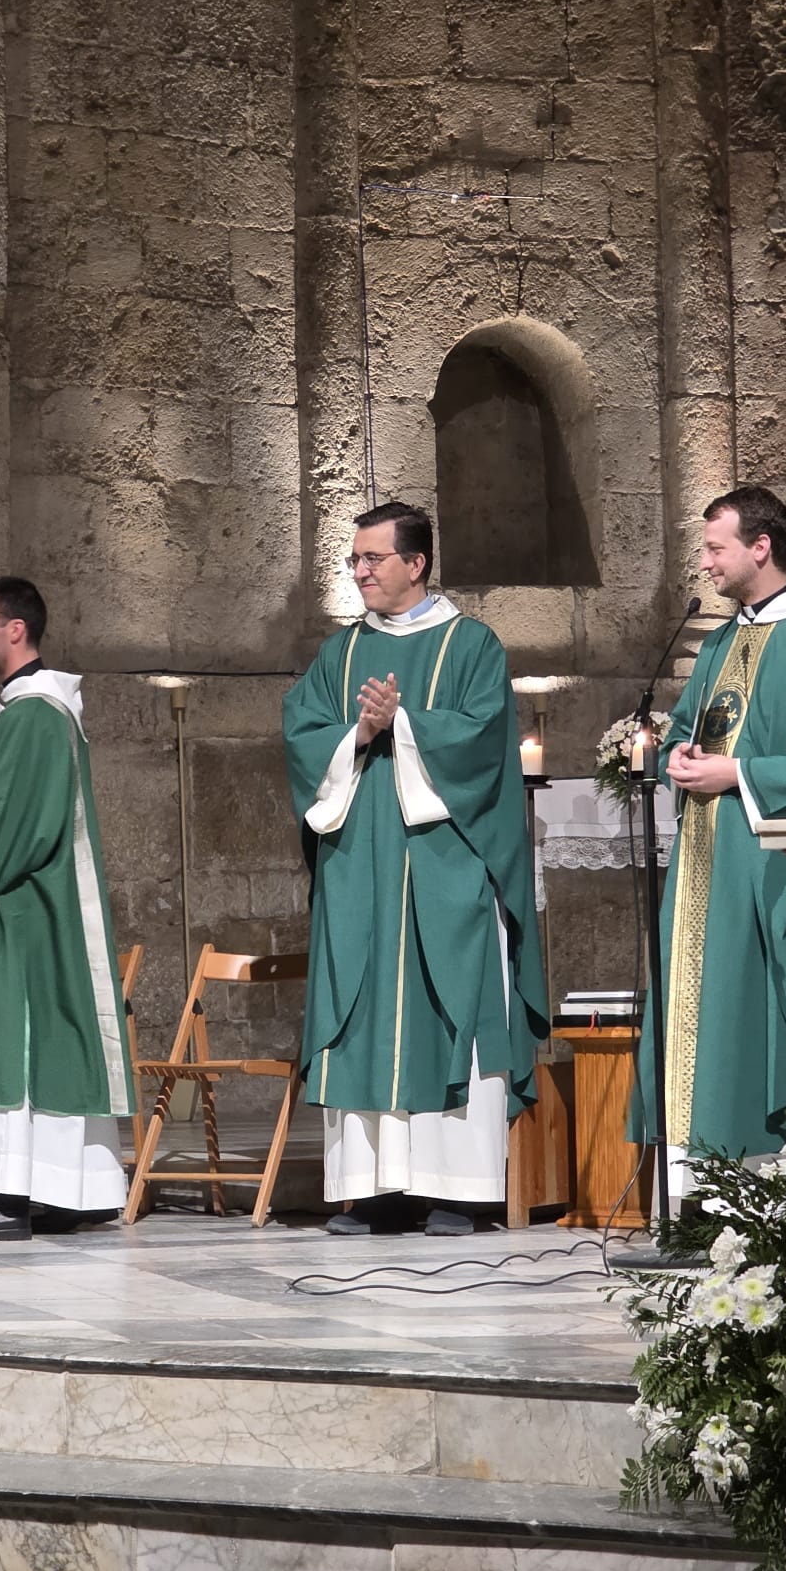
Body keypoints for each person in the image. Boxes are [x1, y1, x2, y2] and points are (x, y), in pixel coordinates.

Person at [283, 502, 548, 1236]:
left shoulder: (472, 645)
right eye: (355, 560)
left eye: (373, 559)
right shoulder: (340, 654)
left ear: (417, 563)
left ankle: (456, 1190)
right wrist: (357, 732)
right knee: (363, 1009)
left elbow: (481, 740)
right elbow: (302, 733)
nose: (360, 572)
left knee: (448, 1005)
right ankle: (374, 1191)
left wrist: (403, 724)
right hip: (359, 866)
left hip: (445, 866)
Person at [636, 485, 786, 1196]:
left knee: (747, 1011)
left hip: (764, 866)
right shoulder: (721, 638)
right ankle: (685, 1197)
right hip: (704, 863)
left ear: (760, 547)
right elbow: (691, 725)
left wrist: (736, 772)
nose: (705, 562)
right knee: (695, 1010)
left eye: (716, 547)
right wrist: (679, 757)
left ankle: (746, 1189)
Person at [0, 577, 132, 1240]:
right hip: (40, 907)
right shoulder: (43, 712)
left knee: (2, 1043)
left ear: (16, 630)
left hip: (17, 919)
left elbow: (2, 834)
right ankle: (63, 1191)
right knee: (44, 1047)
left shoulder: (31, 717)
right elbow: (14, 812)